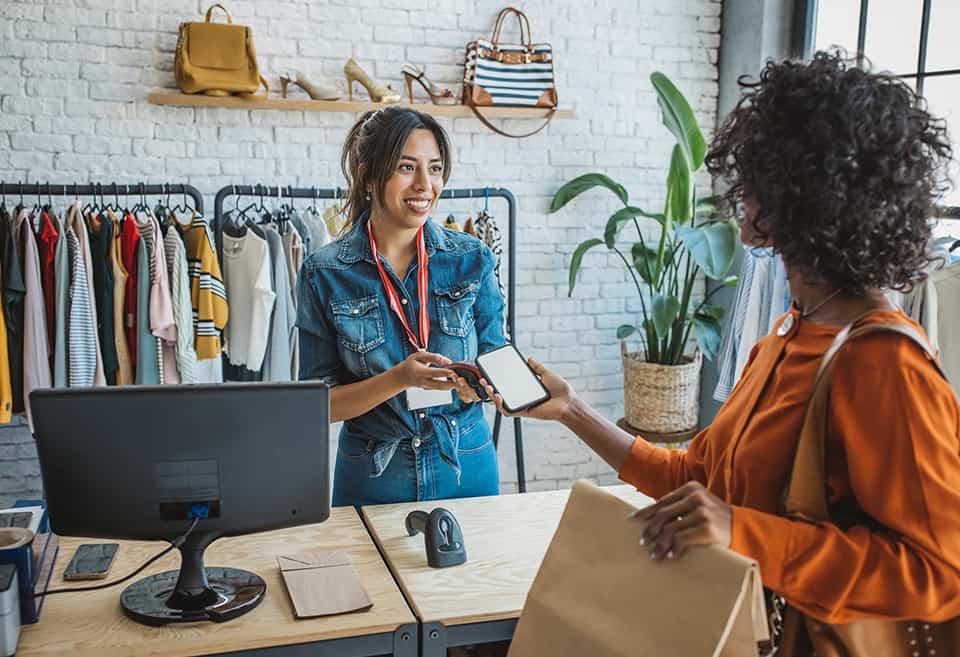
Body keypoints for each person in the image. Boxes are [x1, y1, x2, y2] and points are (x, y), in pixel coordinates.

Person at [483, 51, 960, 632]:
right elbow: (696, 478)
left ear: (804, 195)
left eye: (756, 177)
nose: (740, 192)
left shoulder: (884, 362)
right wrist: (572, 411)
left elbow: (939, 574)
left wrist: (742, 531)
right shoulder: (786, 336)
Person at [297, 107, 506, 507]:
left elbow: (496, 359)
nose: (425, 185)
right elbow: (318, 405)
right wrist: (397, 379)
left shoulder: (473, 258)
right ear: (369, 177)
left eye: (435, 168)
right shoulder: (323, 272)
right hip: (374, 474)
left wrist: (479, 389)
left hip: (466, 463)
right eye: (407, 168)